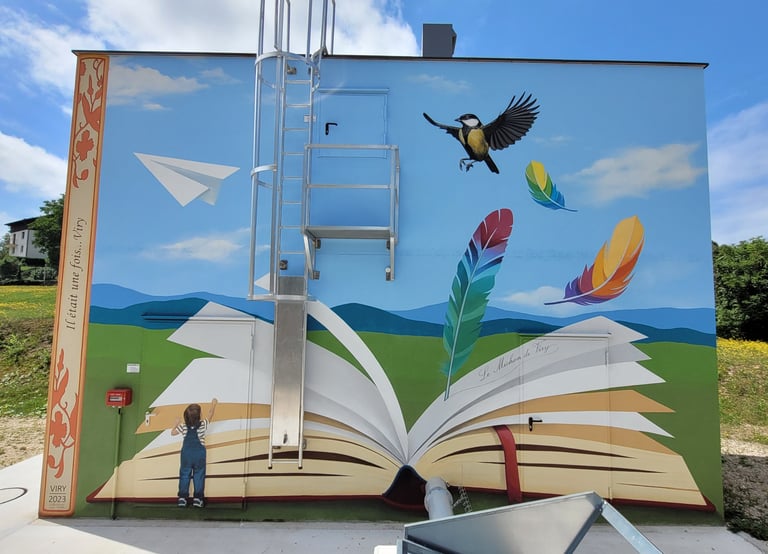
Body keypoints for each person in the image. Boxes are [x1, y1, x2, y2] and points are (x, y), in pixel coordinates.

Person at [172, 398, 217, 507]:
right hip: (199, 455)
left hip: (186, 455)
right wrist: (213, 404)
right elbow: (210, 414)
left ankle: (182, 498)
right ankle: (198, 499)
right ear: (199, 416)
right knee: (199, 475)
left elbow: (173, 433)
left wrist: (176, 424)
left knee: (184, 475)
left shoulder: (183, 426)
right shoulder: (203, 425)